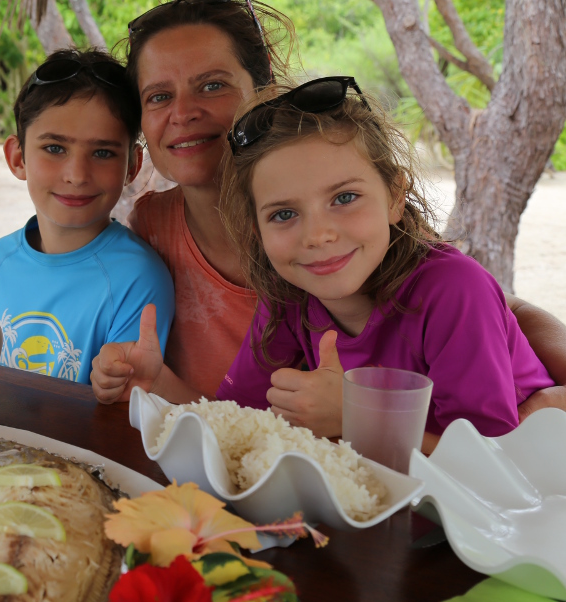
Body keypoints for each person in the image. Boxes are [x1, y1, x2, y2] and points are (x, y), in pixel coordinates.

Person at [89, 0, 566, 419]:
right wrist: (159, 384)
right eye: (158, 96)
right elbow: (242, 424)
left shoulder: (379, 246)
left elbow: (493, 312)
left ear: (265, 92)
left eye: (212, 84)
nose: (184, 112)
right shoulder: (173, 235)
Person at [213, 78, 552, 449]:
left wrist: (357, 417)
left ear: (394, 197)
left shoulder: (454, 290)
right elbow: (233, 420)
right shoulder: (288, 294)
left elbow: (492, 468)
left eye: (344, 197)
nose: (317, 236)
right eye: (283, 214)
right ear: (256, 230)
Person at [0, 49, 175, 385]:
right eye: (54, 148)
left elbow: (121, 407)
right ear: (18, 158)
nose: (77, 175)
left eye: (102, 153)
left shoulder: (136, 278)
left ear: (133, 166)